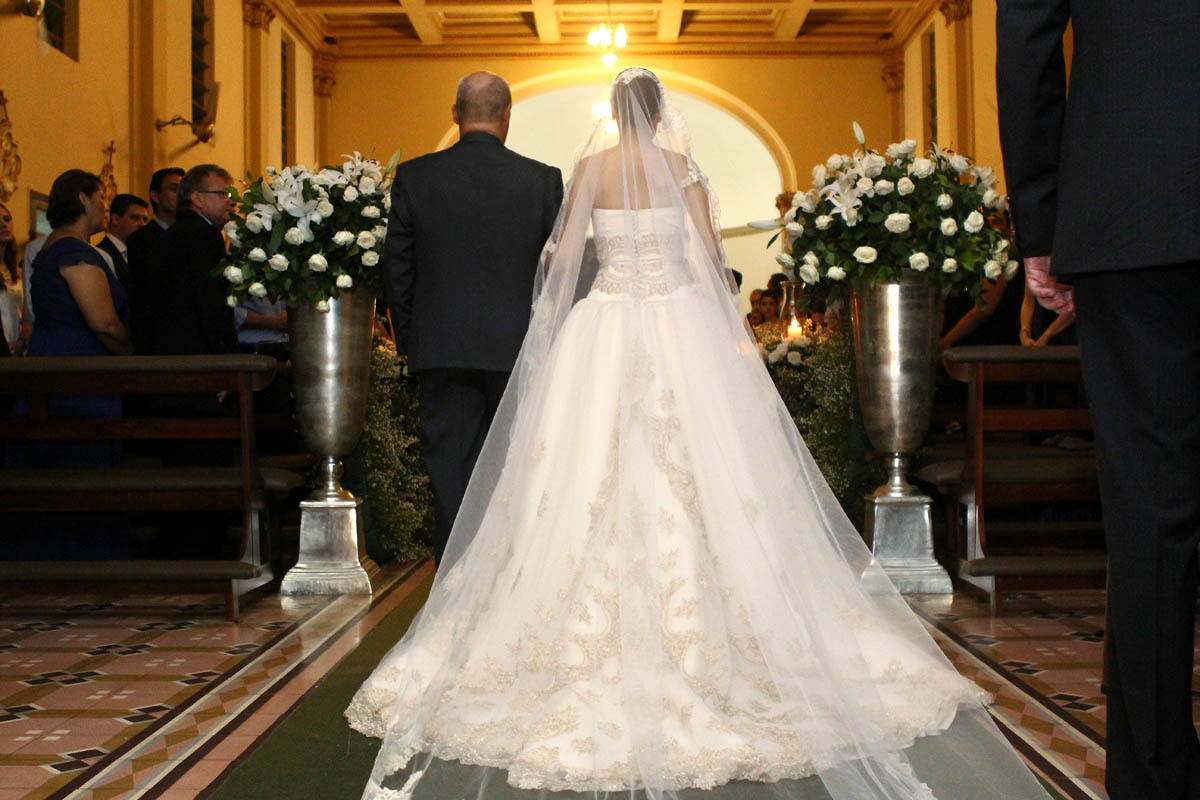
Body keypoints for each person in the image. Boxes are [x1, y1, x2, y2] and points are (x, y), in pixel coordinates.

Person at [347, 68, 1051, 800]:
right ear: (661, 115)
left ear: (613, 114)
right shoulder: (681, 167)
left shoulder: (588, 171)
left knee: (578, 474)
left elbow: (560, 258)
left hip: (602, 328)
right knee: (704, 472)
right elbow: (710, 262)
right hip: (676, 325)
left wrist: (594, 286)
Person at [997, 3, 1200, 798]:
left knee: (1151, 512)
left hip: (1131, 202)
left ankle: (1154, 780)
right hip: (1130, 217)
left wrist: (1043, 222)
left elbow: (1029, 45)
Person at [382, 71, 563, 562]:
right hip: (518, 347)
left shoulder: (415, 176)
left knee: (450, 467)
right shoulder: (541, 180)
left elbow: (398, 268)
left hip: (442, 346)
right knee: (514, 463)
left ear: (455, 114)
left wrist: (411, 340)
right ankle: (510, 567)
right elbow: (556, 270)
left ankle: (454, 574)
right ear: (507, 115)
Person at [5, 169, 131, 557]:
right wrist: (130, 354)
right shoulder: (75, 253)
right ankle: (81, 555)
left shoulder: (50, 248)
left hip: (54, 358)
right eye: (101, 198)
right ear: (82, 199)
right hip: (78, 372)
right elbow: (104, 323)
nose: (105, 207)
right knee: (79, 467)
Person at [146, 164, 236, 357]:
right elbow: (210, 301)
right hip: (199, 354)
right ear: (198, 199)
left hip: (169, 350)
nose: (232, 202)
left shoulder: (173, 233)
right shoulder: (205, 234)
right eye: (224, 194)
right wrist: (225, 354)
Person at [126, 167, 184, 352]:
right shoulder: (141, 239)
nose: (181, 195)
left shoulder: (190, 236)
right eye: (174, 189)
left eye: (184, 190)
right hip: (156, 335)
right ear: (155, 196)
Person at [95, 192, 150, 307]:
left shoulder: (143, 254)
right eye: (135, 218)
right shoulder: (100, 254)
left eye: (145, 220)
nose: (142, 224)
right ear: (115, 219)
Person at [0, 201, 23, 354]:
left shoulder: (18, 271)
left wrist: (22, 340)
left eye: (7, 219)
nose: (3, 224)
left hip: (20, 349)